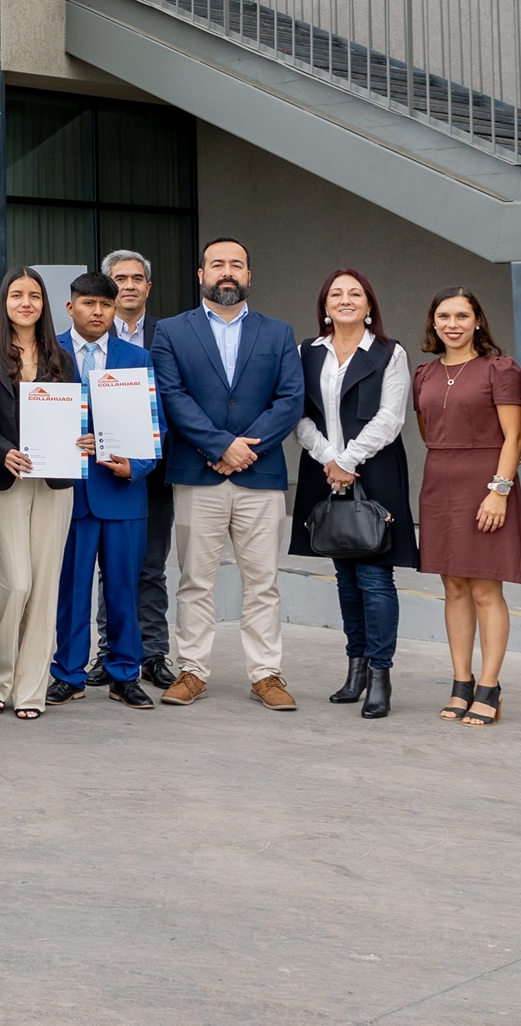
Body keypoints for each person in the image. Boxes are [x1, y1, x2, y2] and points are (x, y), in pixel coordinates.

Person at [151, 237, 305, 710]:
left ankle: (266, 675)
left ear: (249, 275)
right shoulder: (172, 332)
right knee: (196, 580)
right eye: (217, 264)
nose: (227, 272)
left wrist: (244, 450)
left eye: (236, 264)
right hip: (199, 476)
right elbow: (172, 396)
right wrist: (220, 446)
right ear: (201, 275)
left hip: (260, 477)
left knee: (263, 581)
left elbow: (290, 399)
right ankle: (192, 670)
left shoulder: (278, 333)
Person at [289, 269, 415, 721]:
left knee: (376, 578)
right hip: (324, 470)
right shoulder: (307, 352)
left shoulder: (389, 352)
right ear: (325, 305)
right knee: (344, 576)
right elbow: (297, 412)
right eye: (336, 294)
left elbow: (390, 416)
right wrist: (328, 457)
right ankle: (355, 668)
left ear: (368, 305)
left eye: (355, 293)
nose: (345, 300)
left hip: (375, 470)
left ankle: (380, 674)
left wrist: (349, 459)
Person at [413, 287, 521, 729]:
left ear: (478, 320)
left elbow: (514, 437)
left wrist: (499, 490)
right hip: (439, 485)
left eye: (462, 315)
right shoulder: (424, 373)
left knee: (484, 589)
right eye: (444, 316)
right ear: (434, 323)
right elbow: (428, 431)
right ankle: (461, 682)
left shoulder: (499, 369)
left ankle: (490, 687)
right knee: (454, 587)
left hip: (487, 483)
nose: (452, 324)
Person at [0, 268, 78, 718]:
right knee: (12, 584)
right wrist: (2, 453)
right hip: (4, 481)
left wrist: (83, 438)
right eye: (17, 295)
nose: (26, 302)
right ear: (4, 302)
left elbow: (72, 418)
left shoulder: (62, 359)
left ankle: (31, 689)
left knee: (45, 587)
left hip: (54, 483)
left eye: (34, 295)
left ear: (44, 304)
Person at [48, 272, 157, 712]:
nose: (98, 312)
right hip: (68, 491)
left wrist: (137, 465)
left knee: (124, 591)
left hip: (123, 491)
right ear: (70, 306)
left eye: (106, 306)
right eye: (89, 304)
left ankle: (124, 674)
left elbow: (155, 425)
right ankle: (68, 673)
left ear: (116, 311)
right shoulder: (47, 351)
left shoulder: (138, 357)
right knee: (70, 591)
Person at [97, 249, 178, 690]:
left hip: (153, 472)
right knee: (109, 567)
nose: (128, 285)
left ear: (149, 286)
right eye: (119, 278)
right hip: (102, 474)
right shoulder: (89, 338)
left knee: (149, 567)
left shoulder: (171, 336)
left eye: (136, 278)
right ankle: (107, 652)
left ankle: (153, 653)